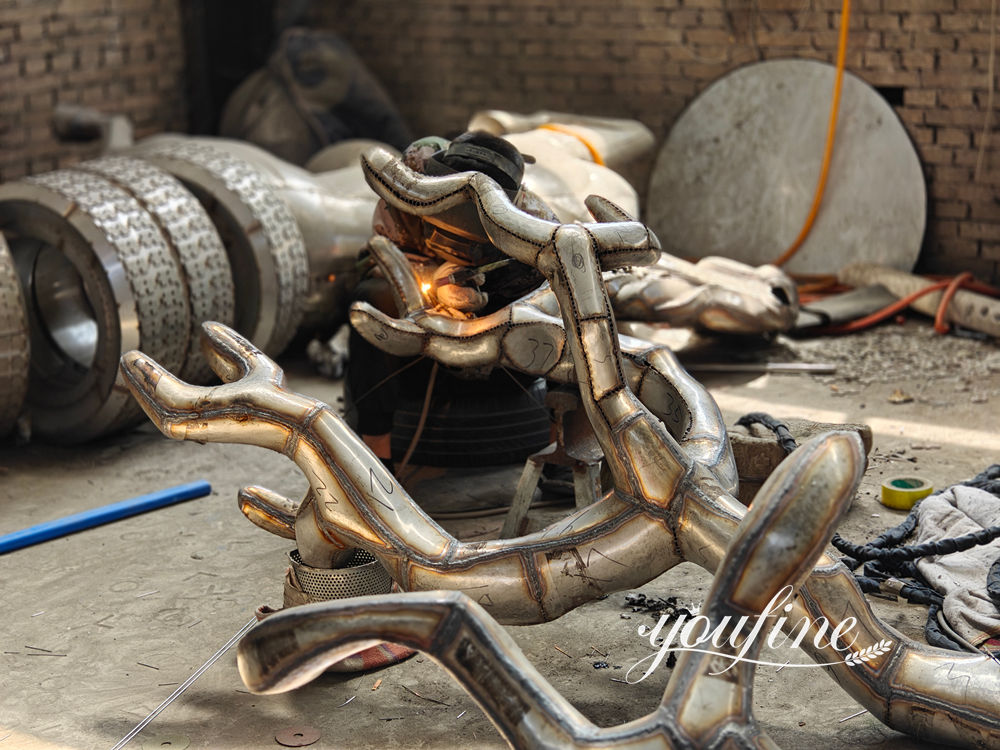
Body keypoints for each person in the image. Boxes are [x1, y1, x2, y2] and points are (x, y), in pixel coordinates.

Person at [346, 131, 556, 468]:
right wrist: (430, 279)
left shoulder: (534, 225)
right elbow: (369, 264)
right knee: (372, 298)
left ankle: (562, 454)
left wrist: (494, 300)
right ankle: (376, 457)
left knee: (569, 311)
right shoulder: (403, 196)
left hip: (502, 363)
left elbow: (557, 291)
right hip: (419, 353)